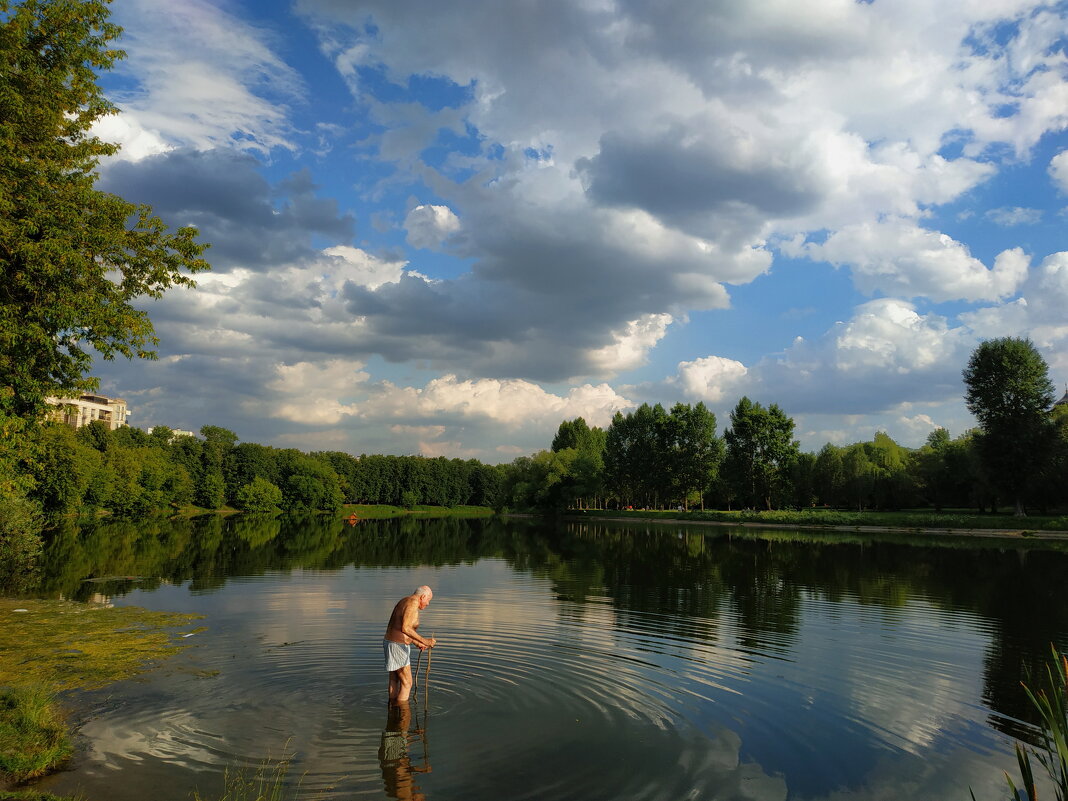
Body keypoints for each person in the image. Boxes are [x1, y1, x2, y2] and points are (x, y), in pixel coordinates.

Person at [384, 585, 437, 703]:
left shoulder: (405, 600)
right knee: (407, 683)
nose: (428, 603)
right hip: (397, 645)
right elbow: (406, 628)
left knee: (395, 679)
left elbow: (399, 627)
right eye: (428, 600)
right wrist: (425, 641)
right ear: (423, 596)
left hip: (391, 643)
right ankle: (403, 714)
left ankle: (392, 709)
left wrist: (416, 642)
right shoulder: (413, 603)